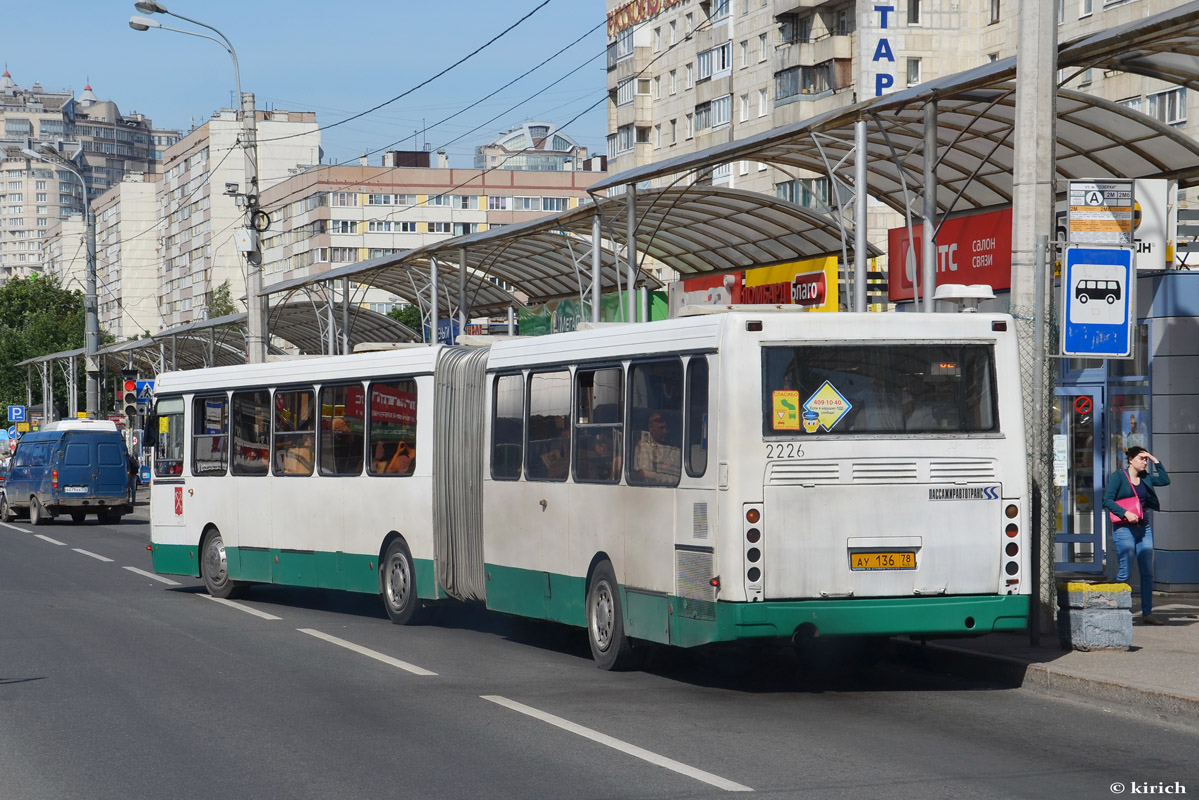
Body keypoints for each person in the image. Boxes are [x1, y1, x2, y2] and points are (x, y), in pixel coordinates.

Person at [1102, 446, 1171, 625]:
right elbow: (1107, 500)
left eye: (1146, 459)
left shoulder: (1145, 477)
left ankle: (1147, 613)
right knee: (1125, 571)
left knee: (1147, 572)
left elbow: (1165, 480)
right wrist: (1125, 513)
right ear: (1130, 459)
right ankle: (1114, 611)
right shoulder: (1119, 477)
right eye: (1142, 458)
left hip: (1143, 528)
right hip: (1124, 528)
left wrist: (1155, 460)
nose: (1145, 461)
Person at [634, 411, 681, 484]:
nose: (665, 432)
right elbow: (644, 474)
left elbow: (678, 478)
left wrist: (655, 474)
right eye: (661, 428)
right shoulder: (644, 446)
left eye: (666, 428)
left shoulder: (675, 450)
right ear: (651, 428)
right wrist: (664, 474)